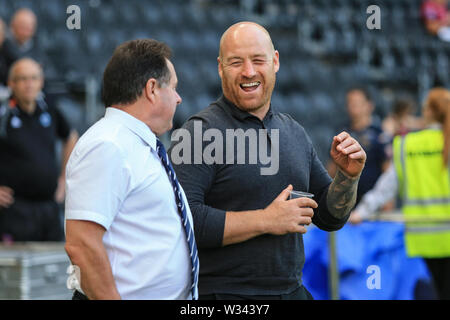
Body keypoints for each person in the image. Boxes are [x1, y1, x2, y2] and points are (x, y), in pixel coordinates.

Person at [169, 22, 366, 300]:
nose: (249, 72)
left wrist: (347, 177)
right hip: (226, 296)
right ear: (220, 67)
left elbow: (329, 217)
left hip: (292, 291)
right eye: (236, 62)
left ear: (275, 61)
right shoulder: (198, 132)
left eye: (258, 60)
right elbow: (185, 221)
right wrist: (265, 220)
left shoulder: (293, 132)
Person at [64, 39, 198, 300]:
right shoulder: (108, 144)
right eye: (173, 87)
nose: (179, 98)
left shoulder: (132, 142)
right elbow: (81, 245)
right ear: (151, 89)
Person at [349, 87, 450, 300]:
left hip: (419, 243)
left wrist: (361, 212)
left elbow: (386, 187)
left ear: (428, 112)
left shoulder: (407, 145)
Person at [0, 58, 78, 242]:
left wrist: (63, 178)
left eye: (34, 78)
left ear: (41, 82)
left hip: (48, 209)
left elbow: (71, 137)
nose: (29, 84)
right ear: (11, 83)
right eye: (22, 79)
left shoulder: (50, 109)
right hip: (15, 210)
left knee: (53, 265)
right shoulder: (3, 114)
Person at [328, 87, 390, 206]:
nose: (353, 107)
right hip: (345, 200)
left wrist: (387, 202)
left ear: (369, 105)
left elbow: (387, 170)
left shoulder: (380, 134)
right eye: (350, 103)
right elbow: (332, 165)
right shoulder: (342, 132)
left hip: (372, 201)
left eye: (357, 103)